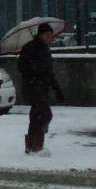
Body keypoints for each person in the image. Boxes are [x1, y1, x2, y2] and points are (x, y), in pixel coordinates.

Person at [17, 22, 64, 155]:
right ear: (41, 35)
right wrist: (35, 67)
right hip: (32, 87)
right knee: (45, 114)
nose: (50, 37)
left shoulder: (45, 49)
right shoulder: (30, 48)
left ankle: (30, 146)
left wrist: (57, 89)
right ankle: (37, 145)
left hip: (42, 88)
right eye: (48, 34)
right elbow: (21, 67)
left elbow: (49, 73)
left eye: (51, 35)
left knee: (36, 116)